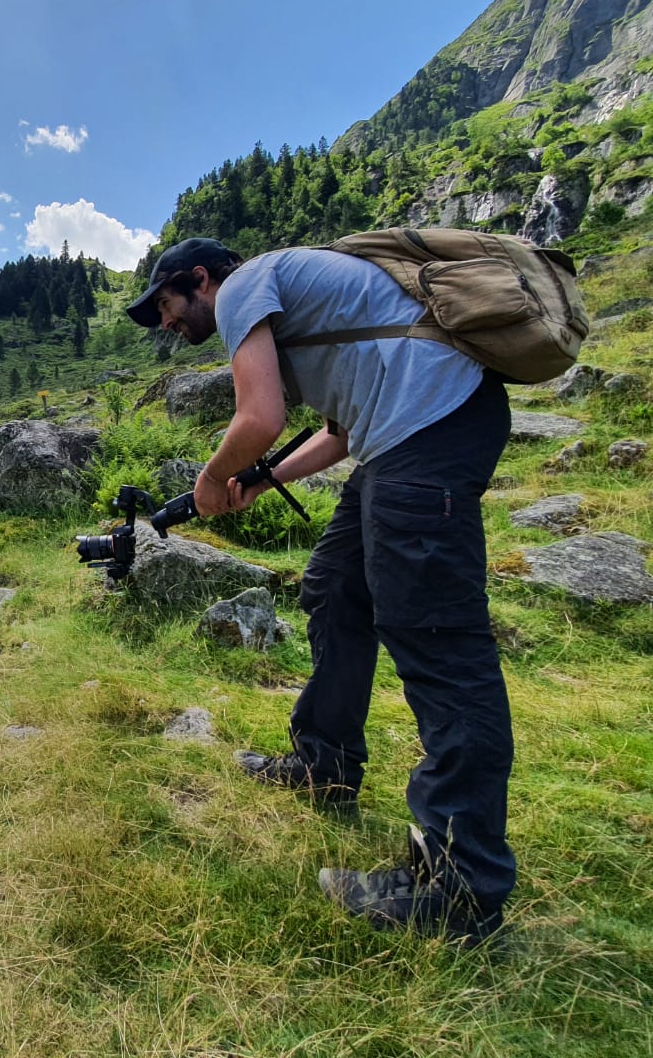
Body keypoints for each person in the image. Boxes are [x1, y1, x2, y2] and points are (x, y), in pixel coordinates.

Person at [126, 236, 514, 943]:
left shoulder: (245, 288)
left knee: (436, 640)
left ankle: (460, 887)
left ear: (200, 279)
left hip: (426, 429)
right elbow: (336, 434)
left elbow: (259, 421)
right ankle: (324, 765)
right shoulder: (292, 296)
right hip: (411, 430)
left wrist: (213, 478)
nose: (165, 326)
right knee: (335, 586)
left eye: (164, 306)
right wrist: (260, 478)